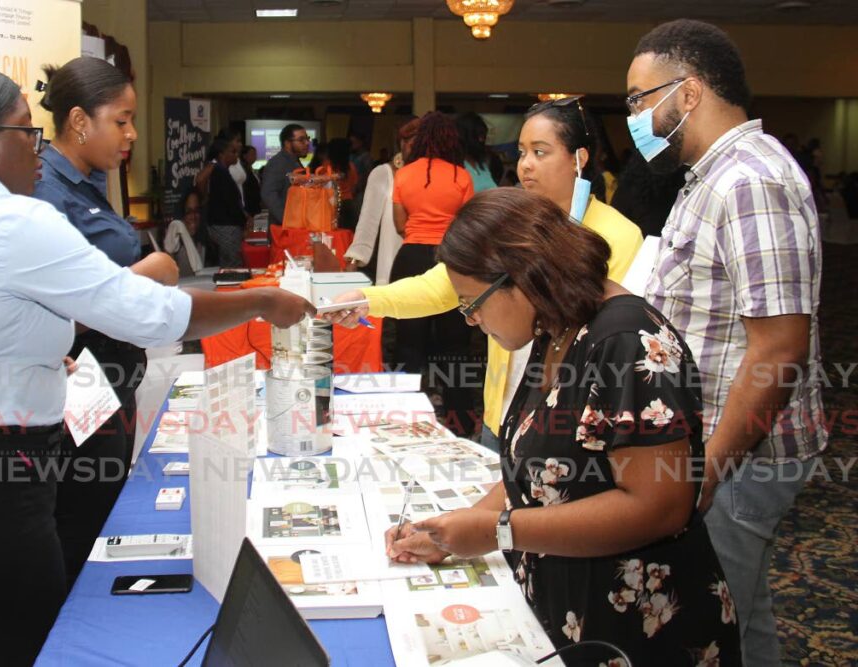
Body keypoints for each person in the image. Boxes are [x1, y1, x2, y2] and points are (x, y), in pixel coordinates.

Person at [0, 66, 313, 667]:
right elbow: (149, 317)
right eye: (26, 130)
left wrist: (17, 369)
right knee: (27, 649)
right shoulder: (17, 221)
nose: (37, 146)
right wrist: (259, 301)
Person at [386, 187, 742, 666]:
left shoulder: (625, 341)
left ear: (521, 277)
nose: (471, 321)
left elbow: (660, 507)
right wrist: (450, 531)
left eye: (472, 303)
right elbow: (538, 467)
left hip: (641, 629)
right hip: (572, 610)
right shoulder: (557, 326)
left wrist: (499, 531)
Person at [627, 20, 826, 666]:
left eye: (639, 98)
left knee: (708, 631)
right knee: (743, 611)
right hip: (719, 444)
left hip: (739, 454)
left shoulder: (748, 181)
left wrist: (707, 467)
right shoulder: (708, 176)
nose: (633, 115)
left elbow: (779, 350)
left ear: (687, 93)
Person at [329, 99, 643, 452]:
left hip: (567, 424)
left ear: (579, 159)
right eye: (522, 152)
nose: (525, 165)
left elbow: (604, 337)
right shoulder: (509, 221)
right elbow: (441, 286)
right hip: (503, 412)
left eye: (541, 152)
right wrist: (368, 299)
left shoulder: (617, 234)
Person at [33, 57, 182, 590]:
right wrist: (146, 272)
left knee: (101, 500)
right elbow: (59, 298)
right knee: (82, 513)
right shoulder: (45, 191)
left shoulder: (88, 181)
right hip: (81, 376)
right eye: (121, 120)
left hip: (112, 372)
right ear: (79, 121)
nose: (131, 134)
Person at [389, 111, 477, 434]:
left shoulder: (403, 175)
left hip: (410, 258)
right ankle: (462, 419)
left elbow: (400, 225)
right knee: (455, 343)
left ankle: (403, 416)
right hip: (452, 261)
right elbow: (467, 224)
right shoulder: (461, 176)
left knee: (409, 343)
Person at [343, 118, 419, 284]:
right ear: (401, 142)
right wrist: (354, 260)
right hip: (393, 256)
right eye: (410, 142)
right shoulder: (383, 173)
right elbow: (367, 222)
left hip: (428, 261)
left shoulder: (437, 174)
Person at [204, 135, 249, 267]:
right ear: (222, 154)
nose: (236, 156)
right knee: (232, 264)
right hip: (226, 225)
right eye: (233, 152)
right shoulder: (219, 171)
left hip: (227, 224)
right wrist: (243, 220)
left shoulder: (222, 171)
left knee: (232, 261)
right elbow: (230, 202)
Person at [260, 123, 309, 227]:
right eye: (301, 140)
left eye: (307, 139)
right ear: (287, 143)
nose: (307, 143)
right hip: (283, 230)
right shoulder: (277, 163)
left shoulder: (294, 161)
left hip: (296, 226)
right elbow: (268, 194)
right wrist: (287, 220)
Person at [164, 190, 205, 276]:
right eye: (188, 212)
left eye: (196, 211)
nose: (193, 216)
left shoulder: (206, 240)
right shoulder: (176, 240)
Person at [456, 111, 498, 192]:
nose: (482, 140)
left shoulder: (482, 164)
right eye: (478, 136)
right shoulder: (455, 168)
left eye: (483, 136)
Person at [326, 137, 359, 230]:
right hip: (348, 203)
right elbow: (354, 186)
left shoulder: (327, 167)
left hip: (331, 205)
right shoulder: (350, 166)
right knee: (348, 234)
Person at [241, 144, 262, 217]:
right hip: (248, 207)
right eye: (252, 154)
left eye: (255, 154)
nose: (255, 157)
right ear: (244, 156)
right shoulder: (243, 171)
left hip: (255, 207)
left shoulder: (252, 170)